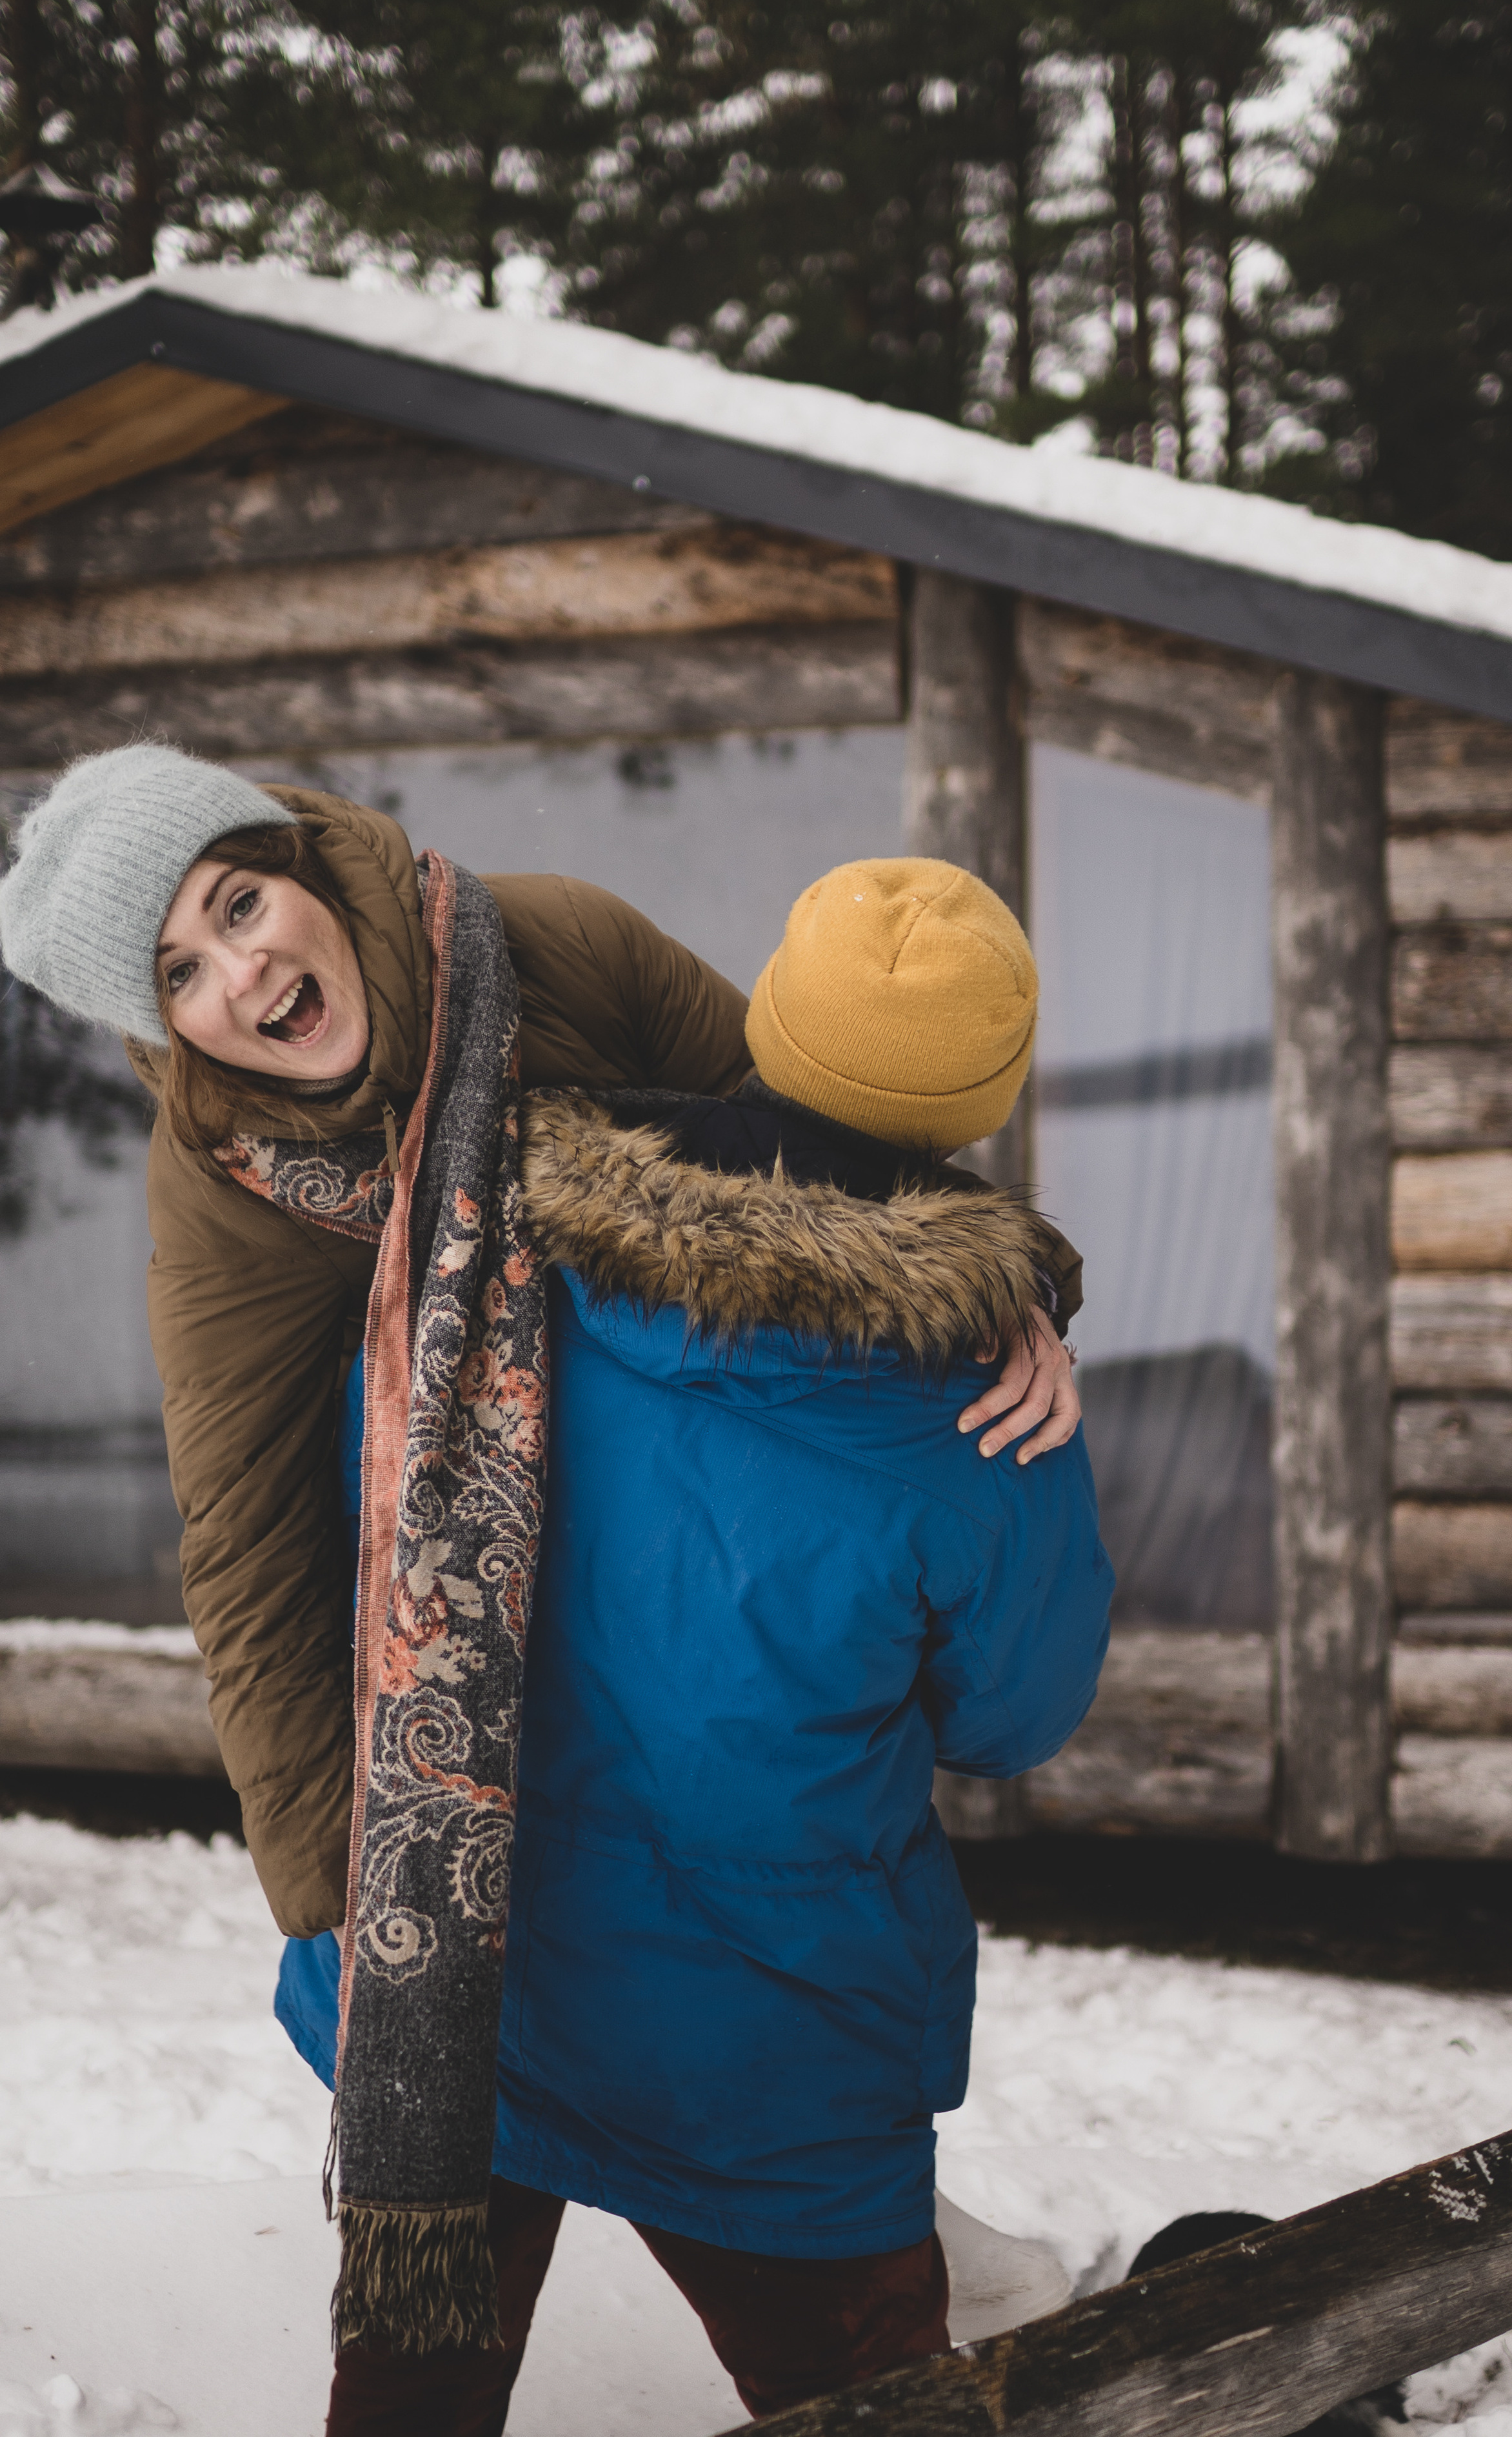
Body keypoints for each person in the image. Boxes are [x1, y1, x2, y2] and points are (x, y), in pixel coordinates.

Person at [0, 755, 1088, 2388]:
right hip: (463, 1723)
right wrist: (349, 1911)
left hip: (682, 1595)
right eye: (179, 976)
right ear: (159, 1028)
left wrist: (996, 1296)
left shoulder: (552, 945)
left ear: (296, 857)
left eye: (238, 902)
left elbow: (829, 1140)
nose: (245, 975)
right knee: (465, 2237)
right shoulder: (225, 1188)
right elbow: (239, 1536)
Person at [281, 855, 1113, 2433]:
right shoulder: (990, 1410)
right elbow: (1014, 1715)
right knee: (862, 2391)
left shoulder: (488, 1231)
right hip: (765, 2043)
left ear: (776, 1021)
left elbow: (366, 1513)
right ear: (979, 1102)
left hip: (451, 1987)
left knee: (409, 2401)